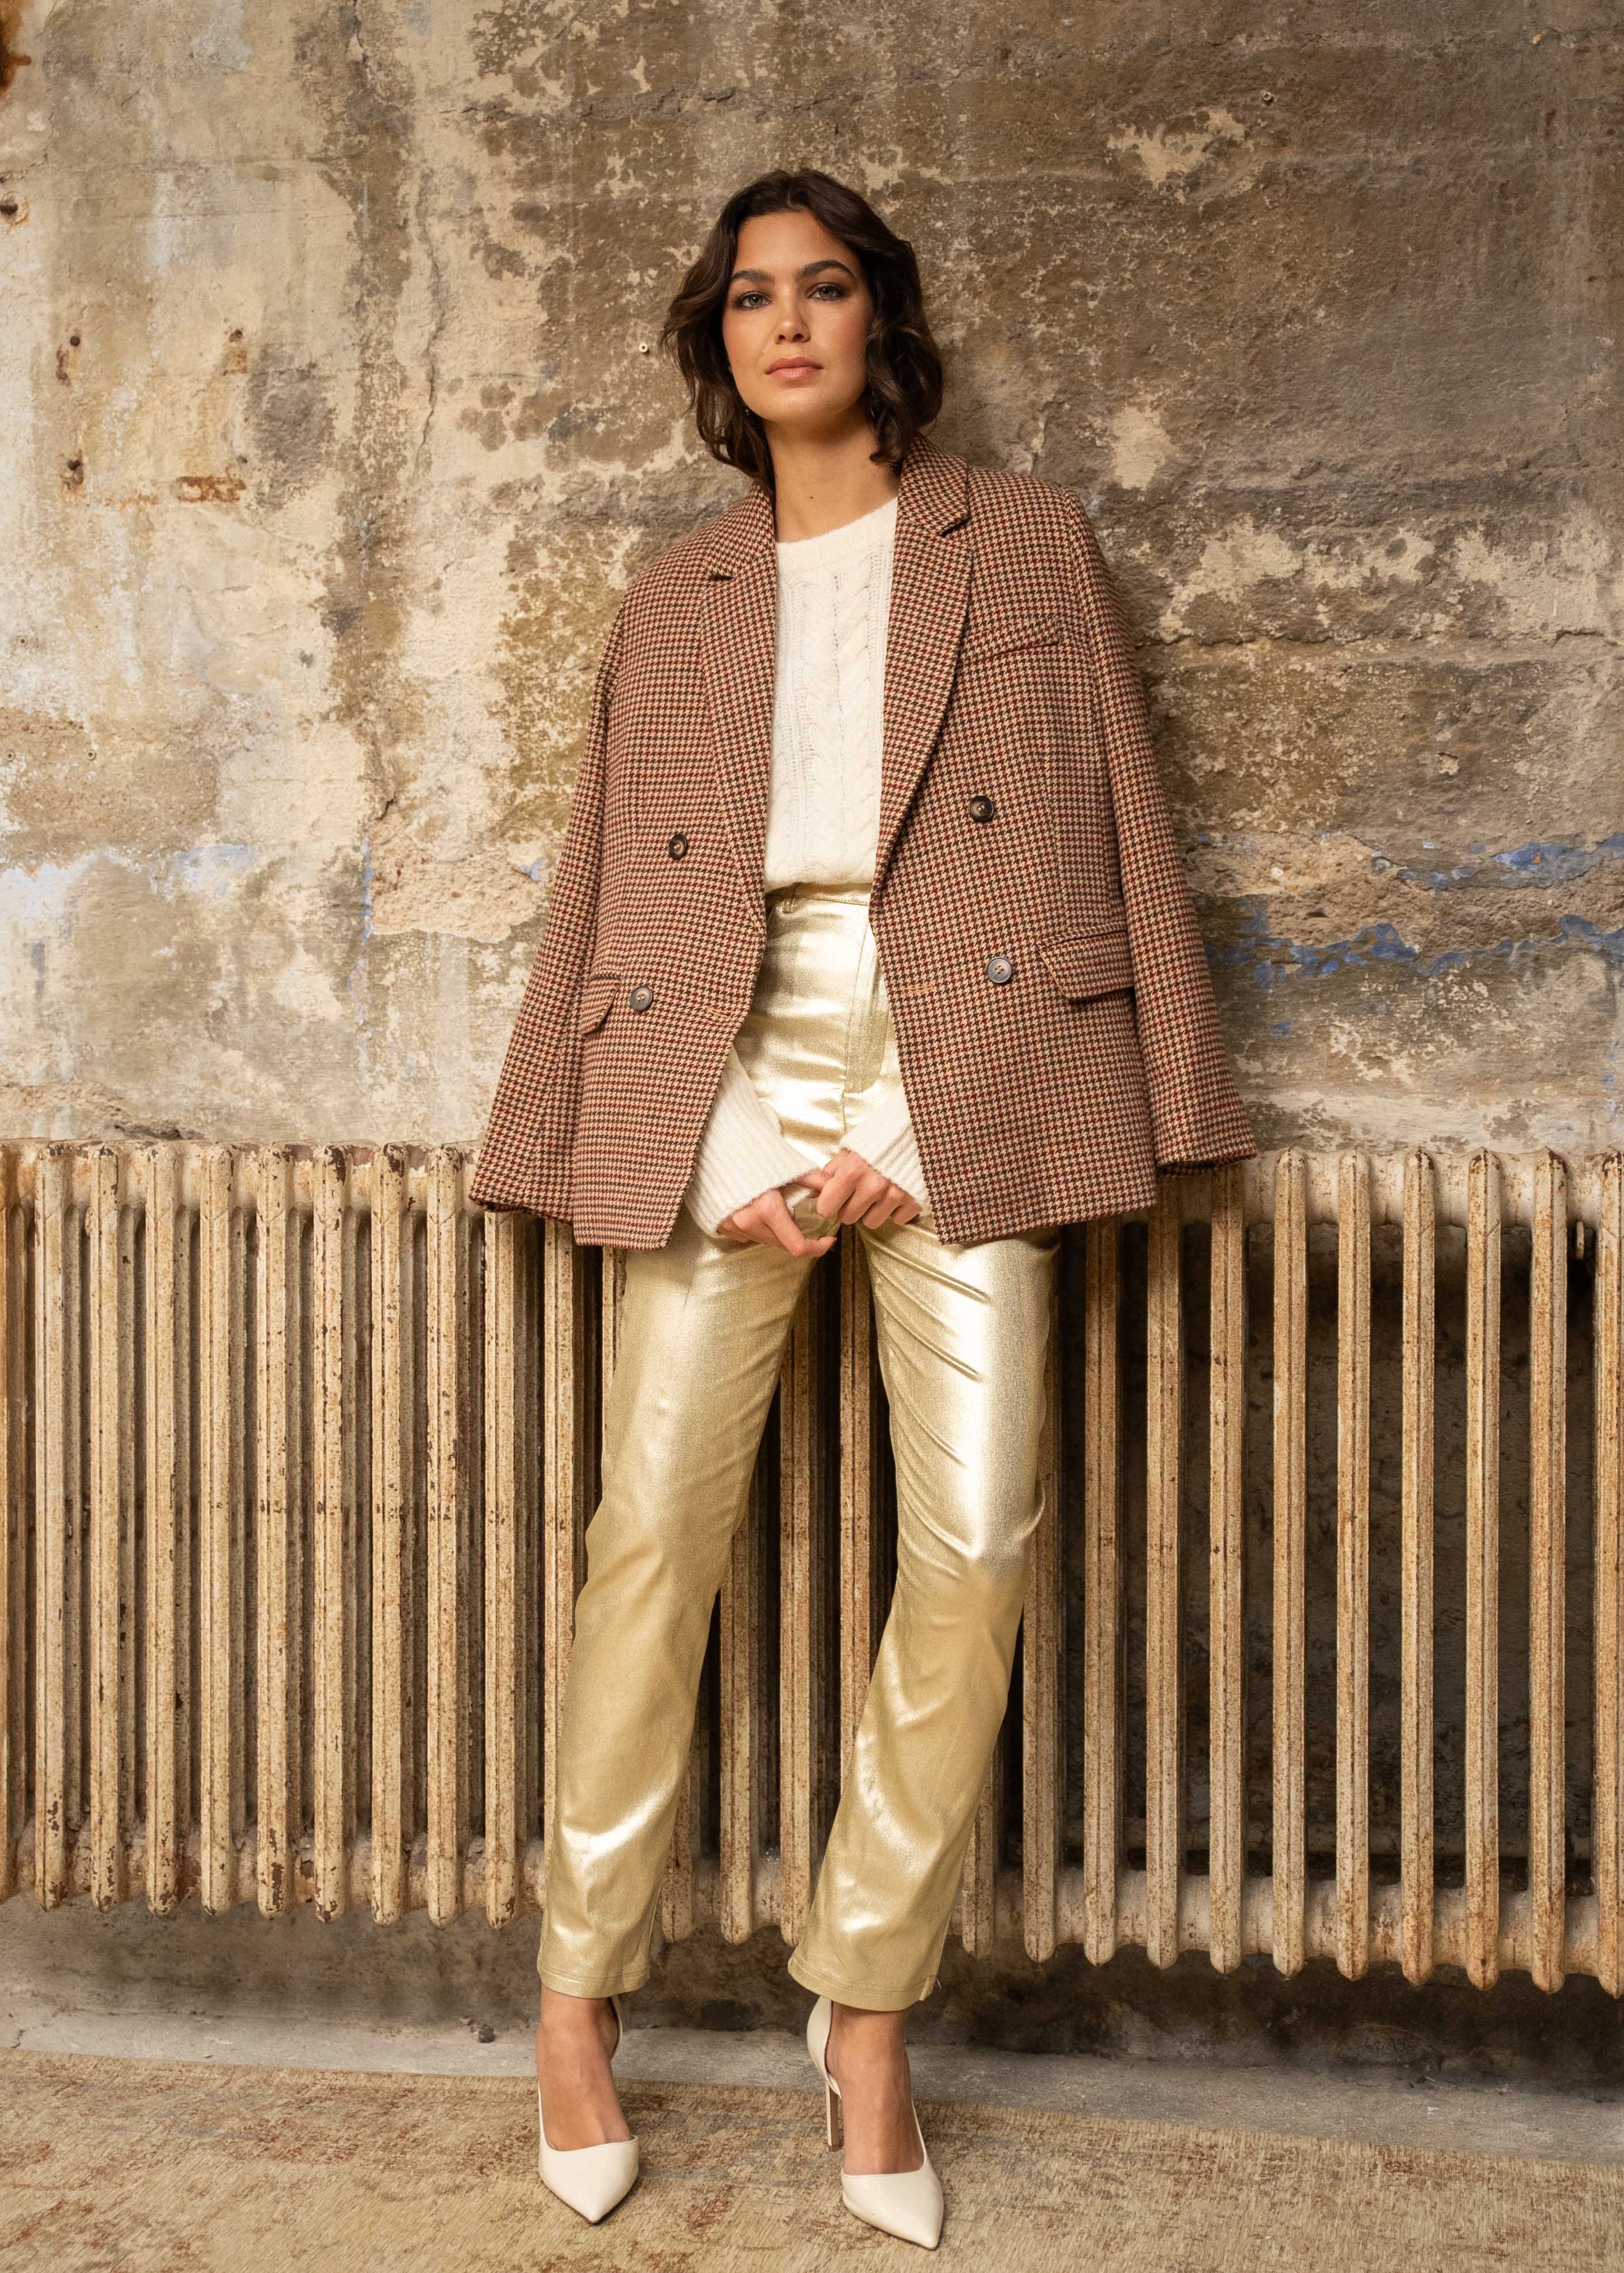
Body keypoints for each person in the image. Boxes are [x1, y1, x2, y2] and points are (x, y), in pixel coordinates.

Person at [469, 166, 1257, 2247]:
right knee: (652, 1533)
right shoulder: (678, 594)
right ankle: (576, 1997)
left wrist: (943, 1104)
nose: (789, 322)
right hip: (726, 1062)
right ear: (719, 341)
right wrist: (709, 1131)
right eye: (753, 297)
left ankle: (871, 2006)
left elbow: (1103, 830)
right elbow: (616, 884)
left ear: (879, 318)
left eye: (824, 287)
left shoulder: (1026, 540)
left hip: (961, 1054)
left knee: (980, 1536)